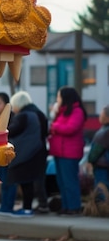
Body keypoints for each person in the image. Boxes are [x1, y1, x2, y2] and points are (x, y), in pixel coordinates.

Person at [4, 91, 48, 217]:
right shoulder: (38, 113)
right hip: (39, 151)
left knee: (26, 182)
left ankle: (27, 209)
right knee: (35, 182)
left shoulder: (23, 116)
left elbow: (11, 131)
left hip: (27, 154)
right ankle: (40, 205)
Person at [48, 86, 87, 216]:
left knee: (70, 181)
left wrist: (55, 126)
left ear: (65, 98)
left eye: (59, 96)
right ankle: (65, 206)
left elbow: (70, 128)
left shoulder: (77, 111)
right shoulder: (62, 112)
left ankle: (74, 207)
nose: (57, 99)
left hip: (69, 153)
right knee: (62, 181)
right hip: (59, 151)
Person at [87, 104, 109, 189]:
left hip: (102, 166)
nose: (99, 116)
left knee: (102, 190)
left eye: (101, 114)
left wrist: (90, 161)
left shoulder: (104, 132)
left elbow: (95, 152)